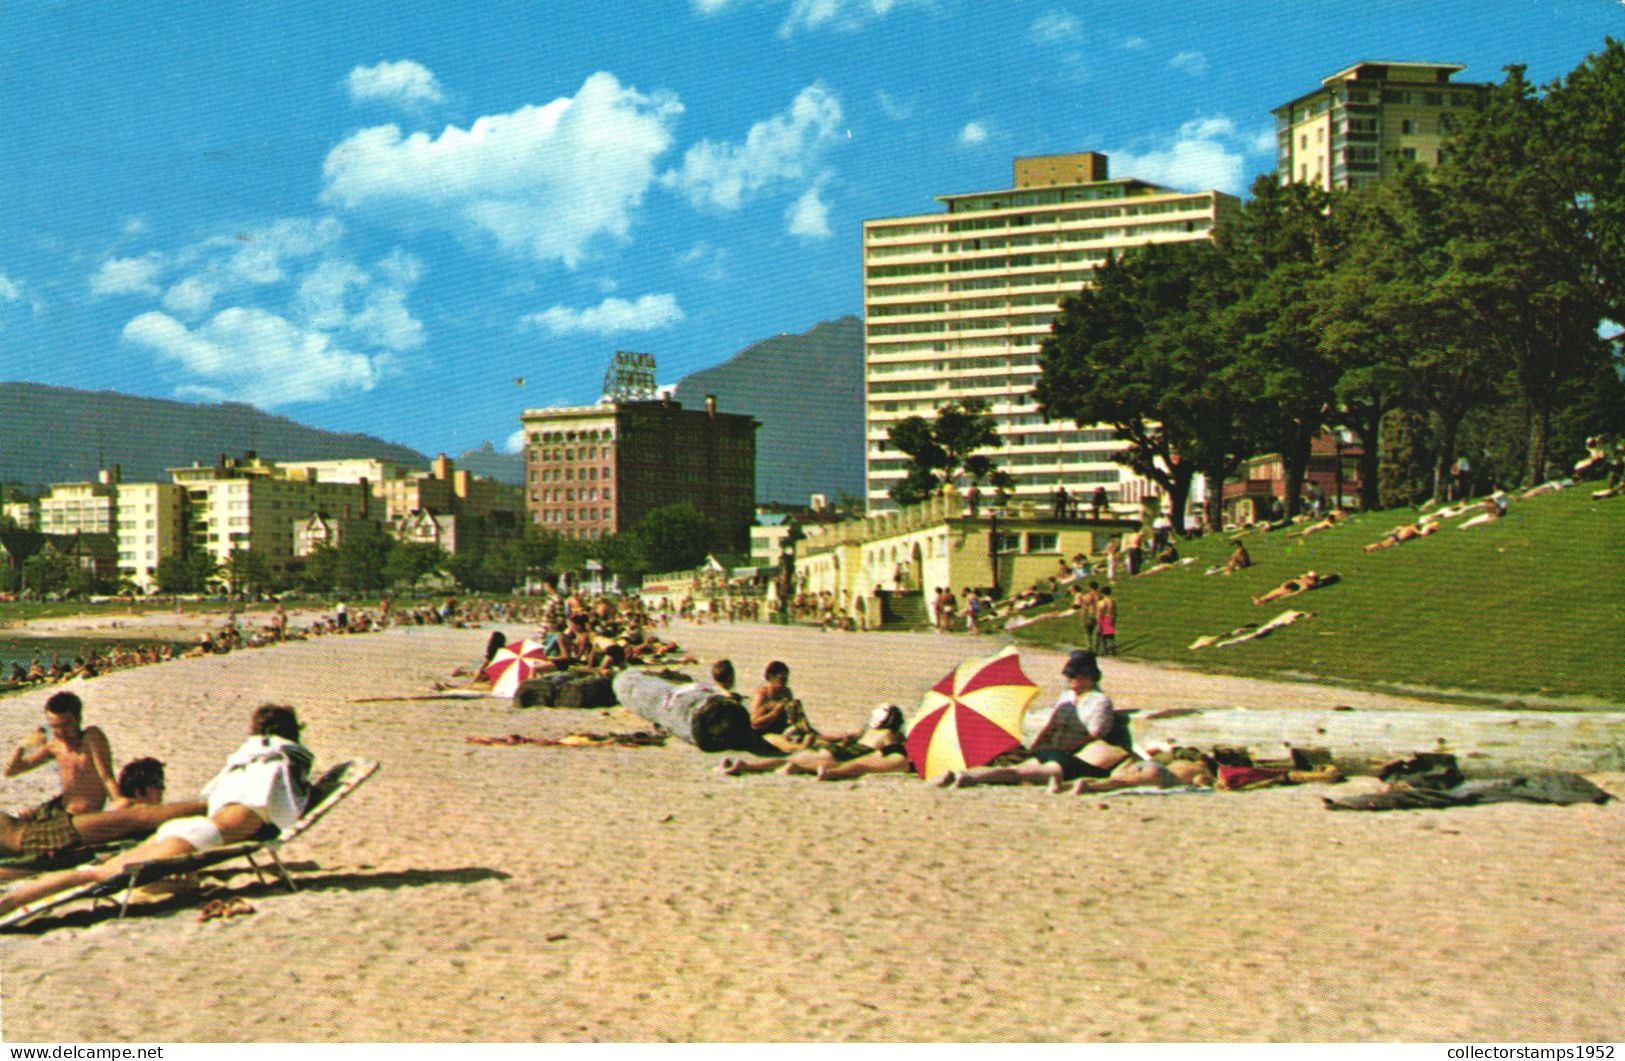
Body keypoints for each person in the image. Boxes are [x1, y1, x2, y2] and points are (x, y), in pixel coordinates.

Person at [0, 705, 315, 917]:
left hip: (190, 829)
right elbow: (286, 811)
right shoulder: (278, 769)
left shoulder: (245, 766)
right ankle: (8, 903)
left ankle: (10, 900)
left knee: (90, 872)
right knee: (92, 874)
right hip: (202, 834)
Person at [934, 650, 1132, 789]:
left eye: (1075, 676)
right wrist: (1038, 746)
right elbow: (1052, 726)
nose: (1069, 680)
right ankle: (963, 775)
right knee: (1018, 769)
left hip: (1072, 756)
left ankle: (963, 776)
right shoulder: (1067, 698)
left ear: (1089, 677)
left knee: (1020, 773)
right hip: (1057, 754)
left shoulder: (1100, 702)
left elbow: (1095, 736)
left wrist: (1060, 750)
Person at [0, 758, 206, 865]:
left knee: (140, 817)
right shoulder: (126, 804)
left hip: (35, 831)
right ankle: (212, 804)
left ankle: (210, 805)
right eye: (157, 785)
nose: (162, 790)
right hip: (36, 836)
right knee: (140, 817)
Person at [719, 703, 910, 780]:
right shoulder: (889, 736)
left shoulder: (865, 731)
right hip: (846, 755)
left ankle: (748, 766)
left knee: (790, 759)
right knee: (802, 765)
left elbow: (841, 737)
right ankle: (807, 771)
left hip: (832, 746)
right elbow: (894, 755)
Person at [4, 692, 119, 818]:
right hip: (57, 808)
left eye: (66, 725)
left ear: (78, 719)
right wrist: (25, 746)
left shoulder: (91, 737)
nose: (61, 732)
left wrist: (120, 805)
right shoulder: (55, 746)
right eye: (55, 727)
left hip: (77, 817)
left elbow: (107, 777)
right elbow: (10, 771)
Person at [1253, 570, 1338, 606]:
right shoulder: (1310, 580)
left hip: (1291, 589)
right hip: (1291, 585)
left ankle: (1261, 601)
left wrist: (1284, 597)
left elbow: (1299, 591)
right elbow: (1297, 578)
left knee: (1276, 593)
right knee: (1275, 591)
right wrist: (1287, 582)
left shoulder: (1309, 584)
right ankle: (1262, 600)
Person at [1095, 587, 1117, 655]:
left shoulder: (1101, 602)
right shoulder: (1112, 601)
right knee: (1111, 635)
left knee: (1102, 636)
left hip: (1104, 618)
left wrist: (1098, 624)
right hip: (1111, 618)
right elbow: (1115, 612)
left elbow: (1099, 613)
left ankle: (1104, 651)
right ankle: (1112, 649)